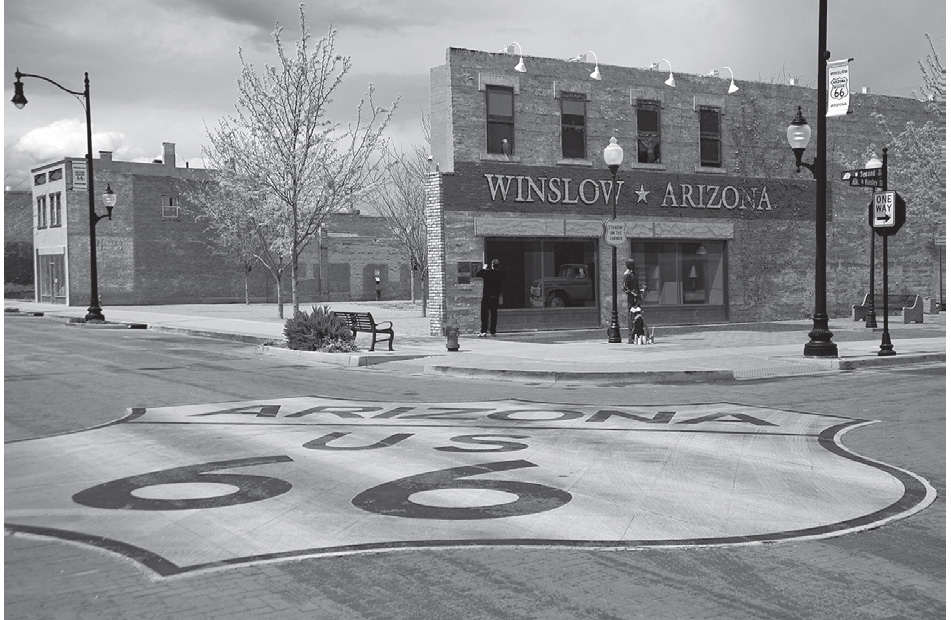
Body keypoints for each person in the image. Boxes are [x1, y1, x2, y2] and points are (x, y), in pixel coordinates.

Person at [474, 259, 504, 337]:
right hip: (495, 296)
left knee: (484, 314)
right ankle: (493, 331)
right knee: (494, 314)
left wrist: (484, 268)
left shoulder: (487, 273)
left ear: (492, 265)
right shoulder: (500, 274)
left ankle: (483, 330)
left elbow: (478, 274)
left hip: (487, 296)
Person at [622, 259, 641, 343]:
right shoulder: (627, 275)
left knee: (638, 315)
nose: (634, 265)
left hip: (637, 297)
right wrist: (632, 293)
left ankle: (638, 334)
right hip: (632, 298)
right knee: (632, 315)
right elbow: (624, 287)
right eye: (632, 264)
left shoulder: (633, 273)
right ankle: (632, 337)